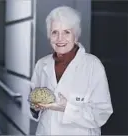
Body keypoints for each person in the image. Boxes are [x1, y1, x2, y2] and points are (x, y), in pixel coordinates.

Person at [29, 6, 113, 135]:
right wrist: (35, 108)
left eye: (66, 32)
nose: (60, 38)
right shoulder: (41, 65)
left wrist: (67, 108)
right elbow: (33, 106)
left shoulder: (93, 65)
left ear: (76, 36)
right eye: (54, 32)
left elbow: (101, 113)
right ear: (49, 35)